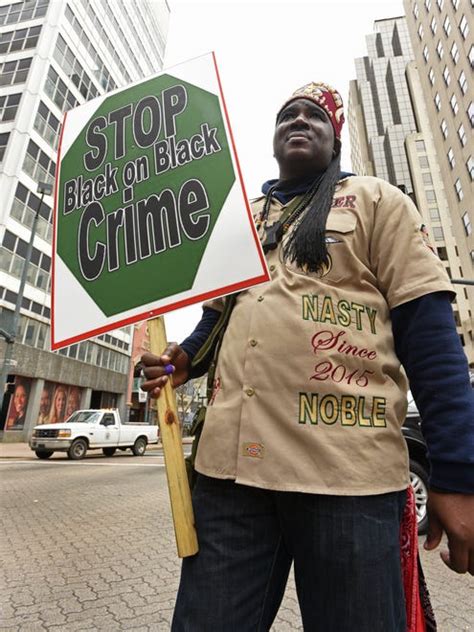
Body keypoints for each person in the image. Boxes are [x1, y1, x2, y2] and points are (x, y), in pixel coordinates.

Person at [140, 82, 474, 631]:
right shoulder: (243, 217)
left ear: (334, 136)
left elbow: (431, 338)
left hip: (347, 479)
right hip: (229, 480)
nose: (299, 121)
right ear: (273, 137)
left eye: (314, 115)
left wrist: (458, 475)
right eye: (286, 115)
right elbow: (220, 317)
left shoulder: (376, 201)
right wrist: (185, 360)